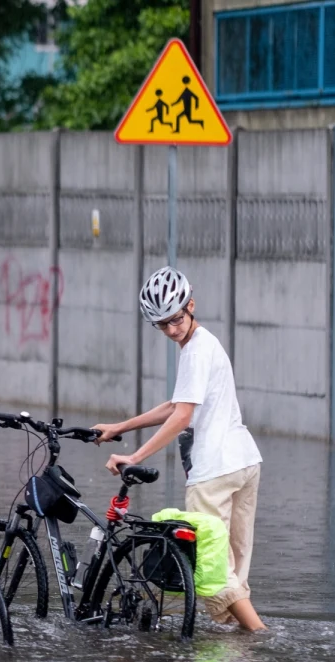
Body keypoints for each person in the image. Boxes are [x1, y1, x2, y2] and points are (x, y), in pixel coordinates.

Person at [93, 267, 265, 632]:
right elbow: (175, 405)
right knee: (233, 564)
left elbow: (182, 416)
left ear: (191, 305)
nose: (171, 330)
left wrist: (134, 457)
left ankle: (260, 639)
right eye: (162, 325)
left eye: (176, 320)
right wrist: (119, 428)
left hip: (214, 471)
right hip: (245, 463)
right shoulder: (205, 345)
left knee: (212, 568)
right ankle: (242, 649)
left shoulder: (195, 352)